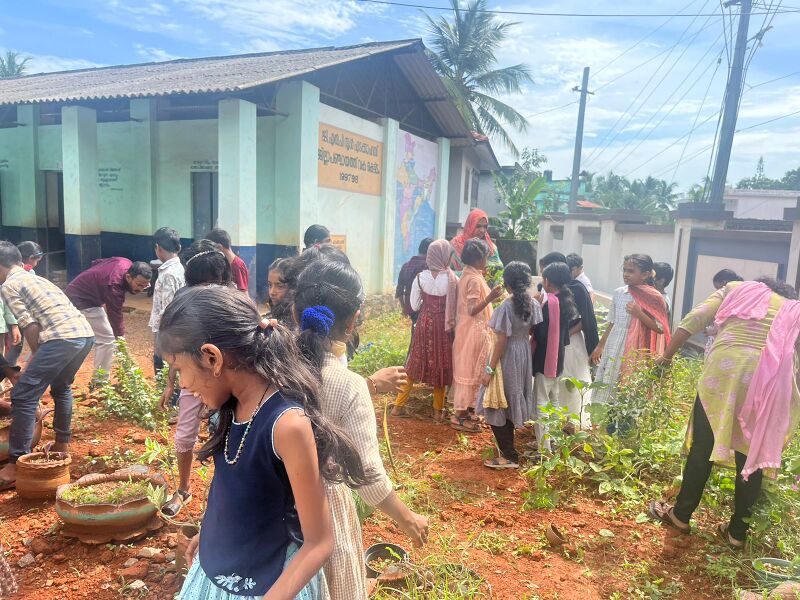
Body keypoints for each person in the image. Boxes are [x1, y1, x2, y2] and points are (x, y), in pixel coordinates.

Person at [159, 286, 371, 600]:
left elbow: (319, 542)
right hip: (219, 567)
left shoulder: (287, 426)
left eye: (180, 370)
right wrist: (210, 535)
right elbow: (234, 489)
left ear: (211, 357)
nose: (184, 386)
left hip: (267, 584)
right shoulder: (230, 406)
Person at [294, 260, 429, 600]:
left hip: (265, 508)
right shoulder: (348, 384)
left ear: (296, 314)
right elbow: (366, 475)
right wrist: (407, 518)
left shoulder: (266, 366)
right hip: (324, 515)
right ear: (353, 321)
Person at [649, 278, 800, 548]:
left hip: (723, 373)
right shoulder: (793, 308)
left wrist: (667, 356)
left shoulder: (735, 288)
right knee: (750, 459)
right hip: (768, 383)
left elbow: (695, 318)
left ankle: (681, 516)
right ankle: (736, 534)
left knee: (703, 448)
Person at [0, 242, 94, 490]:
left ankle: (15, 463)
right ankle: (62, 445)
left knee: (23, 394)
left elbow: (29, 324)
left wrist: (34, 360)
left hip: (61, 338)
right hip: (84, 335)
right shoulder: (38, 279)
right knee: (61, 386)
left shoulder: (9, 285)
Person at [159, 240, 232, 517]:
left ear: (222, 280)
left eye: (213, 281)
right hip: (192, 381)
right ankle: (184, 489)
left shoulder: (229, 303)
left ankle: (225, 493)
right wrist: (170, 384)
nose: (207, 288)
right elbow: (175, 349)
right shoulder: (183, 304)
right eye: (202, 282)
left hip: (225, 383)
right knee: (185, 434)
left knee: (226, 434)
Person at [478, 262, 541, 468]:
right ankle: (508, 451)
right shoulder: (533, 304)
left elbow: (501, 341)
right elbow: (531, 330)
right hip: (523, 354)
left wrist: (489, 369)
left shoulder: (506, 306)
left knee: (497, 401)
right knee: (510, 399)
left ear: (507, 284)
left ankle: (509, 455)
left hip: (506, 357)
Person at [590, 254, 671, 406]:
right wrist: (600, 346)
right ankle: (603, 425)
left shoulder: (654, 297)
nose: (626, 274)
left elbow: (661, 328)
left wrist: (639, 314)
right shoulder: (619, 293)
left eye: (631, 271)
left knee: (626, 389)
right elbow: (612, 322)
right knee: (607, 383)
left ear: (646, 274)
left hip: (636, 349)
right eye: (625, 270)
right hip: (614, 345)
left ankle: (622, 424)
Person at [393, 239, 456, 421]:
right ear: (445, 257)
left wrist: (426, 307)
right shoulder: (453, 280)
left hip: (424, 323)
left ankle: (398, 406)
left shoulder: (420, 277)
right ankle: (438, 411)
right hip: (444, 326)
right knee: (441, 363)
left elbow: (413, 304)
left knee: (414, 362)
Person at [65, 257, 151, 380]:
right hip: (81, 299)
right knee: (107, 339)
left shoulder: (124, 262)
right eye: (139, 285)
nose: (141, 289)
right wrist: (122, 343)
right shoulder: (115, 287)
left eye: (145, 286)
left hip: (84, 293)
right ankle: (100, 381)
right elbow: (115, 319)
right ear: (128, 277)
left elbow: (96, 262)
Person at [540, 252, 599, 427]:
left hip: (571, 342)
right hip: (554, 341)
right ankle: (553, 423)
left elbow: (586, 319)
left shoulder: (577, 288)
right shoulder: (549, 290)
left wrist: (565, 334)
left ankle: (571, 423)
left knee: (571, 381)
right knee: (553, 382)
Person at [451, 239, 503, 433]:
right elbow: (472, 309)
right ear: (479, 258)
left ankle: (469, 411)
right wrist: (490, 298)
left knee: (472, 369)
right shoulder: (473, 278)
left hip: (471, 329)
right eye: (486, 258)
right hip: (473, 330)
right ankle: (460, 416)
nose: (487, 262)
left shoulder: (470, 274)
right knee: (472, 371)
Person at [531, 262, 577, 454]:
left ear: (548, 281)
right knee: (554, 400)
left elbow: (541, 333)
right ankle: (553, 442)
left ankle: (544, 449)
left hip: (545, 358)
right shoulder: (564, 299)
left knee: (541, 402)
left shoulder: (550, 302)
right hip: (557, 358)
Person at [149, 227, 185, 375]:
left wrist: (163, 341)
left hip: (166, 333)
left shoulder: (169, 274)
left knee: (163, 369)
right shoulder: (179, 268)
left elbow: (168, 308)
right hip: (173, 332)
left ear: (157, 248)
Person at [449, 209, 502, 274]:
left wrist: (487, 272)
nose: (482, 230)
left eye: (485, 227)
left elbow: (499, 268)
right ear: (470, 225)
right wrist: (469, 274)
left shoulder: (491, 247)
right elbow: (446, 271)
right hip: (460, 283)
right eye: (478, 226)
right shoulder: (456, 244)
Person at [705, 269, 744, 353]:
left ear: (724, 283)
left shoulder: (730, 301)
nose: (717, 291)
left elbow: (727, 322)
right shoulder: (742, 296)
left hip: (727, 345)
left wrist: (712, 330)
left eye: (718, 288)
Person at [395, 237, 433, 321]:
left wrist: (404, 307)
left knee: (415, 327)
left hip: (410, 306)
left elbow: (399, 289)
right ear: (430, 251)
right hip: (425, 307)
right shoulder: (428, 266)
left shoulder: (406, 265)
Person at [205, 228, 249, 293]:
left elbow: (243, 292)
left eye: (211, 248)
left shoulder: (238, 265)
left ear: (219, 247)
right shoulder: (223, 262)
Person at [268, 257, 300, 327]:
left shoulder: (295, 317)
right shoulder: (277, 307)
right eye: (270, 285)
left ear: (292, 287)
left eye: (280, 286)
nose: (272, 292)